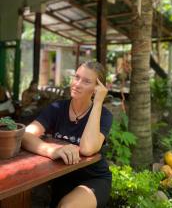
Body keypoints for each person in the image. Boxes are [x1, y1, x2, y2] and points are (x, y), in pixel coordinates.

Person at [22, 61, 113, 208]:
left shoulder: (104, 115)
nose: (77, 84)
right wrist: (53, 150)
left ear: (97, 89)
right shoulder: (57, 108)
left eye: (86, 81)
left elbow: (87, 149)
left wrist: (97, 103)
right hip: (61, 178)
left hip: (92, 179)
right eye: (76, 77)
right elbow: (25, 135)